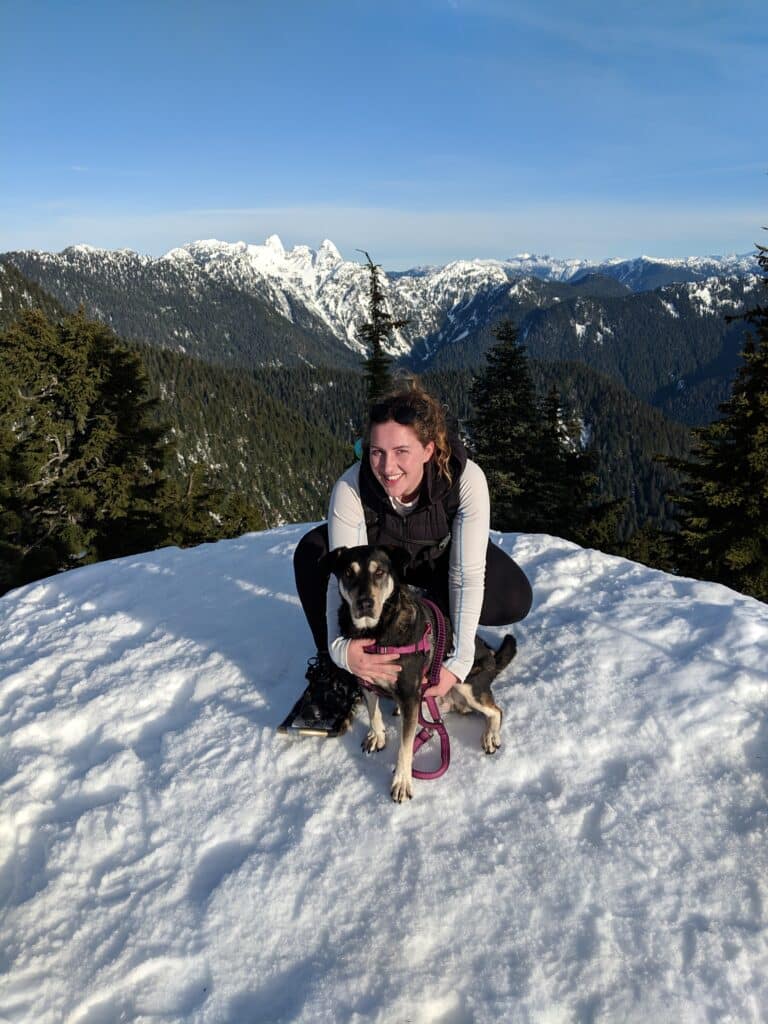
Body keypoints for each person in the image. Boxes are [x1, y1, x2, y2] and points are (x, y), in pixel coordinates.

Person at [292, 383, 533, 721]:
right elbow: (339, 578)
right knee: (312, 553)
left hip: (440, 564)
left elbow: (466, 575)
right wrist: (339, 650)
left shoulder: (465, 479)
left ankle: (441, 633)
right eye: (376, 451)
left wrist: (460, 661)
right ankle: (343, 673)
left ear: (428, 450)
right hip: (381, 569)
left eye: (401, 451)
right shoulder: (351, 486)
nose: (387, 467)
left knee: (512, 596)